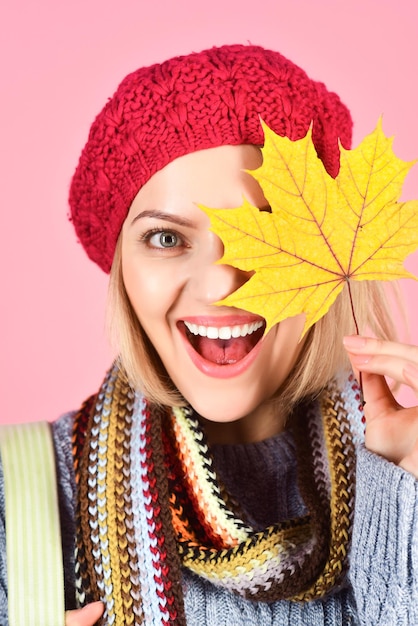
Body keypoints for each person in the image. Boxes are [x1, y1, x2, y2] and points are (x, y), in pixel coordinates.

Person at [1, 43, 418, 626]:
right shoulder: (16, 501)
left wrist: (405, 490)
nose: (223, 284)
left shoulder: (407, 470)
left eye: (267, 228)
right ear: (123, 267)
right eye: (168, 239)